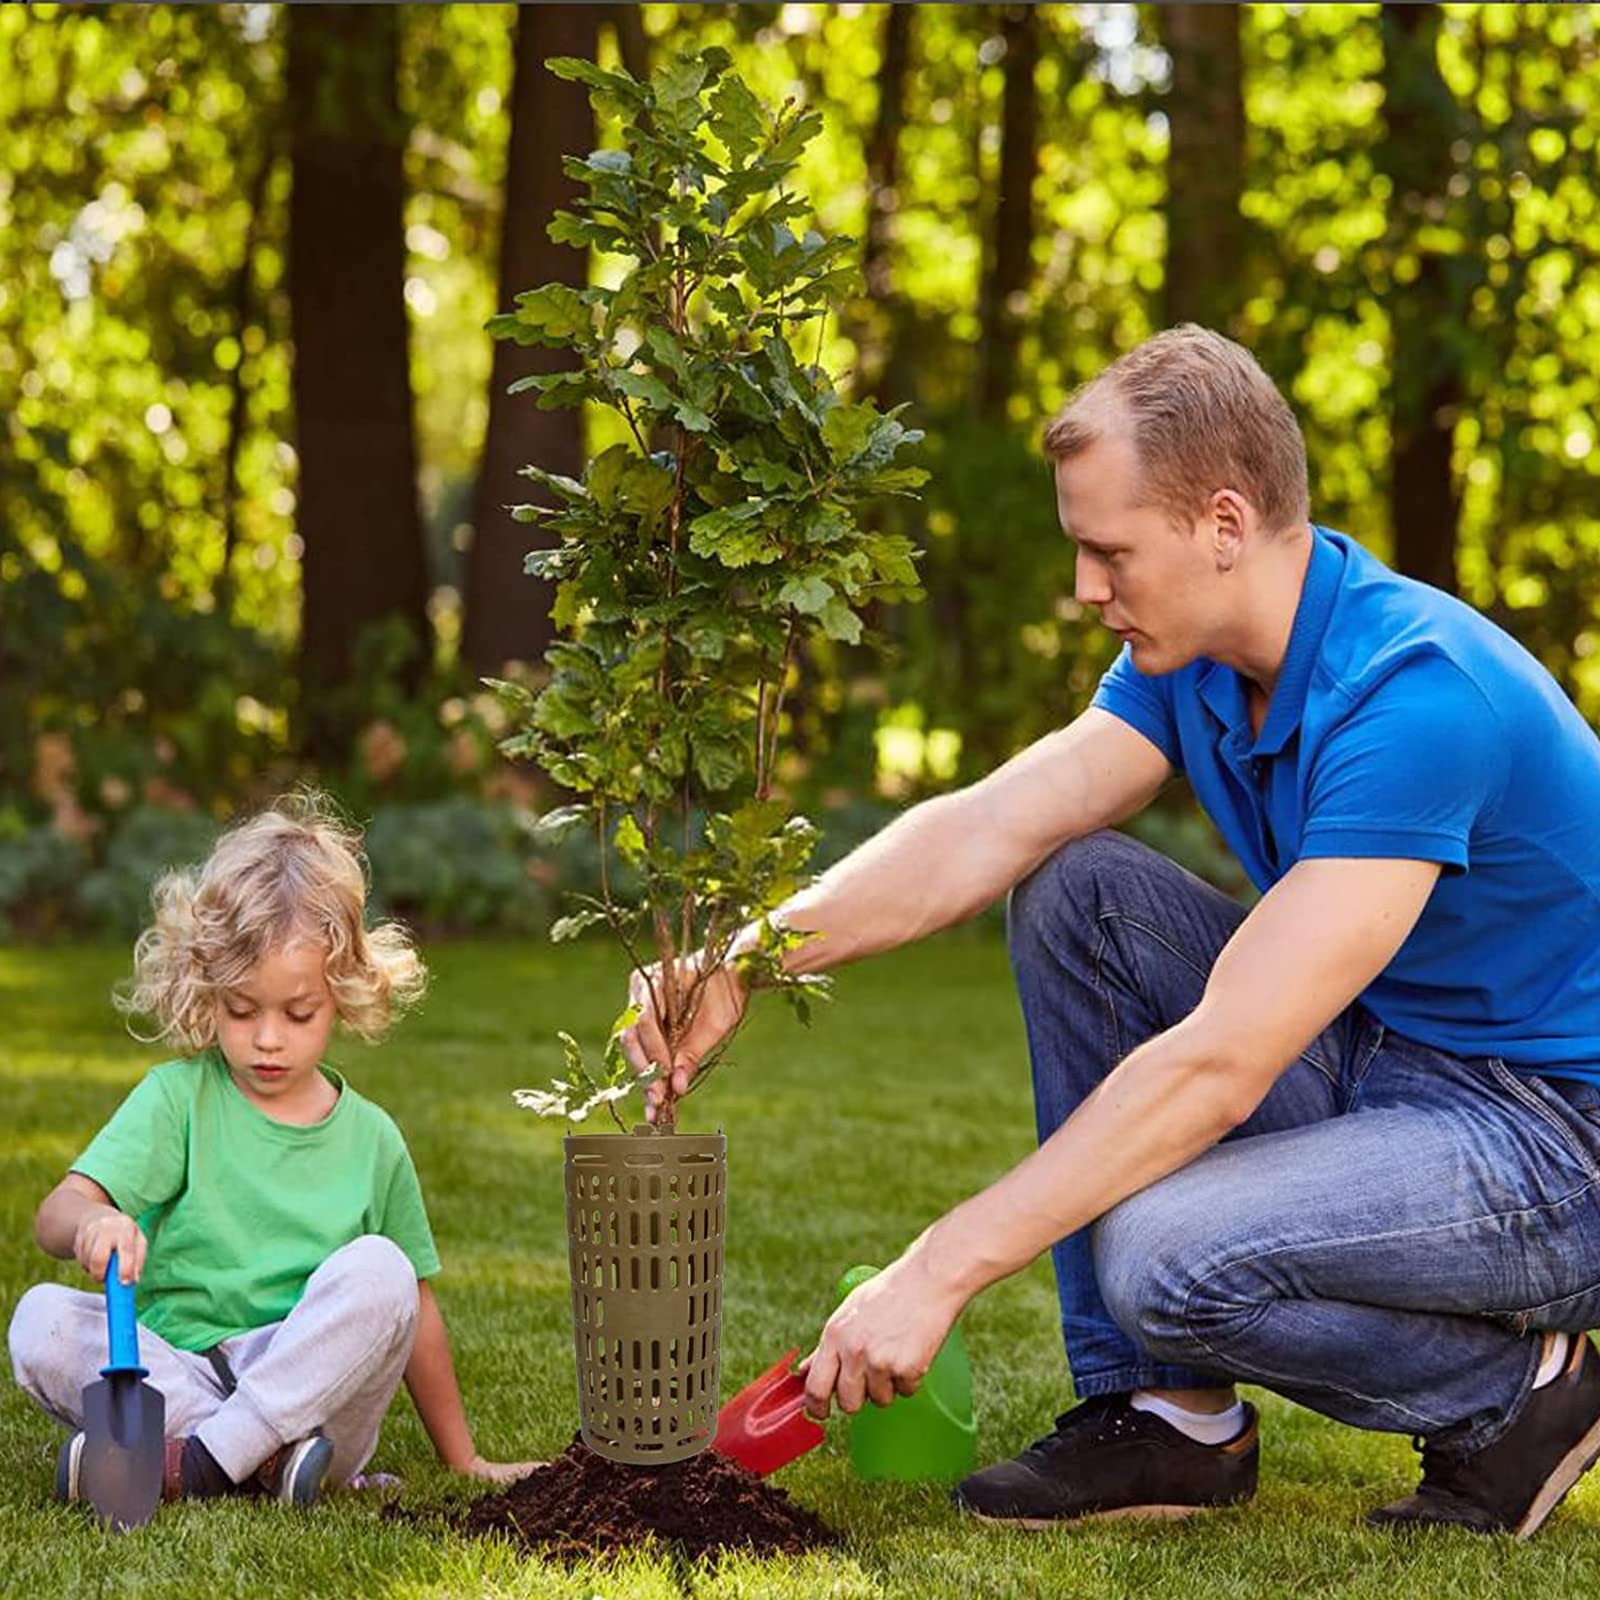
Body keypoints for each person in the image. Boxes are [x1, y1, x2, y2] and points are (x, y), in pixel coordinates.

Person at [620, 325, 1600, 1539]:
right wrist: (741, 961)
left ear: (1224, 525)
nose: (1086, 588)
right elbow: (990, 826)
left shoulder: (1414, 697)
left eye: (1108, 551)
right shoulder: (1193, 660)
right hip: (1400, 1060)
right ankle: (1168, 1416)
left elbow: (1221, 1064)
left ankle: (1517, 1399)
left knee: (1163, 1256)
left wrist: (937, 1267)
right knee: (1077, 887)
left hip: (1557, 1136)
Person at [7, 794, 536, 1505]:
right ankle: (249, 1461)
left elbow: (411, 1307)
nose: (266, 1038)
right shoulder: (179, 1100)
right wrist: (91, 1223)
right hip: (186, 1376)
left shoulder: (373, 1138)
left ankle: (192, 1466)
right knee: (39, 1319)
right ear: (207, 990)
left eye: (298, 1013)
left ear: (342, 993)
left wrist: (463, 1456)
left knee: (383, 1268)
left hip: (312, 1406)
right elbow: (55, 1216)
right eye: (241, 1009)